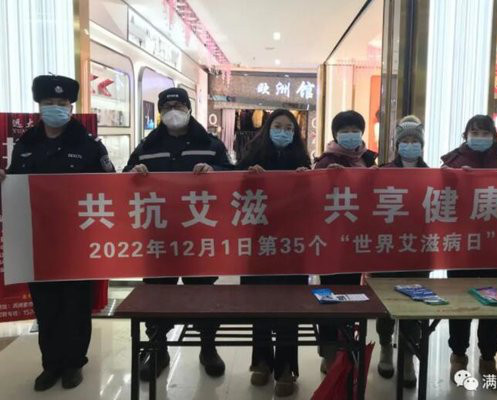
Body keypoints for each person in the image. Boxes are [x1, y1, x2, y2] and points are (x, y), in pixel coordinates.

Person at [0, 75, 115, 391]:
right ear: (39, 106)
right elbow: (16, 187)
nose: (55, 108)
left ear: (71, 107)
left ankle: (74, 363)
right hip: (38, 241)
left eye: (61, 103)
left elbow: (109, 186)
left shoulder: (89, 145)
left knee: (76, 304)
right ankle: (51, 364)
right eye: (49, 103)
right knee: (46, 305)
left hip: (78, 241)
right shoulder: (26, 144)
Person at [123, 87, 233, 381]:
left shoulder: (209, 143)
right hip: (159, 235)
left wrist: (214, 170)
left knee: (203, 292)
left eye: (179, 106)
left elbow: (231, 174)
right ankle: (158, 349)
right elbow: (125, 175)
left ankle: (208, 348)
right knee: (157, 293)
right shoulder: (148, 145)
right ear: (160, 112)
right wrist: (134, 171)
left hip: (200, 234)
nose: (173, 112)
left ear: (188, 109)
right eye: (167, 107)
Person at [237, 109, 311, 397]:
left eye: (289, 128)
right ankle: (262, 362)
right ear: (267, 128)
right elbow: (234, 193)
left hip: (293, 245)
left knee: (289, 307)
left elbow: (313, 202)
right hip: (259, 244)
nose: (283, 131)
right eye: (278, 126)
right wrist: (248, 177)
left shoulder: (303, 160)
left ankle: (286, 367)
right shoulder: (251, 156)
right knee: (260, 304)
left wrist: (308, 180)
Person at [441, 114, 497, 385]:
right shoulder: (451, 163)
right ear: (465, 135)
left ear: (494, 137)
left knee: (494, 304)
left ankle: (488, 359)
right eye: (475, 132)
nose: (480, 137)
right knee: (460, 304)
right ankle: (458, 356)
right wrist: (450, 179)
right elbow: (438, 201)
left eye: (485, 133)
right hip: (462, 246)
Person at [313, 110, 377, 373]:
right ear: (335, 134)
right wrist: (327, 178)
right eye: (344, 130)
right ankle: (329, 352)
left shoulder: (369, 160)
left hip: (357, 239)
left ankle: (348, 347)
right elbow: (314, 196)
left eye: (355, 130)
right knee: (330, 297)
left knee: (352, 296)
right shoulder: (325, 162)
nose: (350, 135)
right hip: (330, 241)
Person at [372, 115, 429, 387]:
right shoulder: (382, 171)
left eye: (414, 140)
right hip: (387, 248)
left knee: (414, 303)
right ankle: (386, 347)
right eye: (405, 140)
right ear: (397, 144)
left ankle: (407, 356)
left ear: (422, 145)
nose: (410, 145)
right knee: (386, 302)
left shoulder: (432, 175)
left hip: (418, 249)